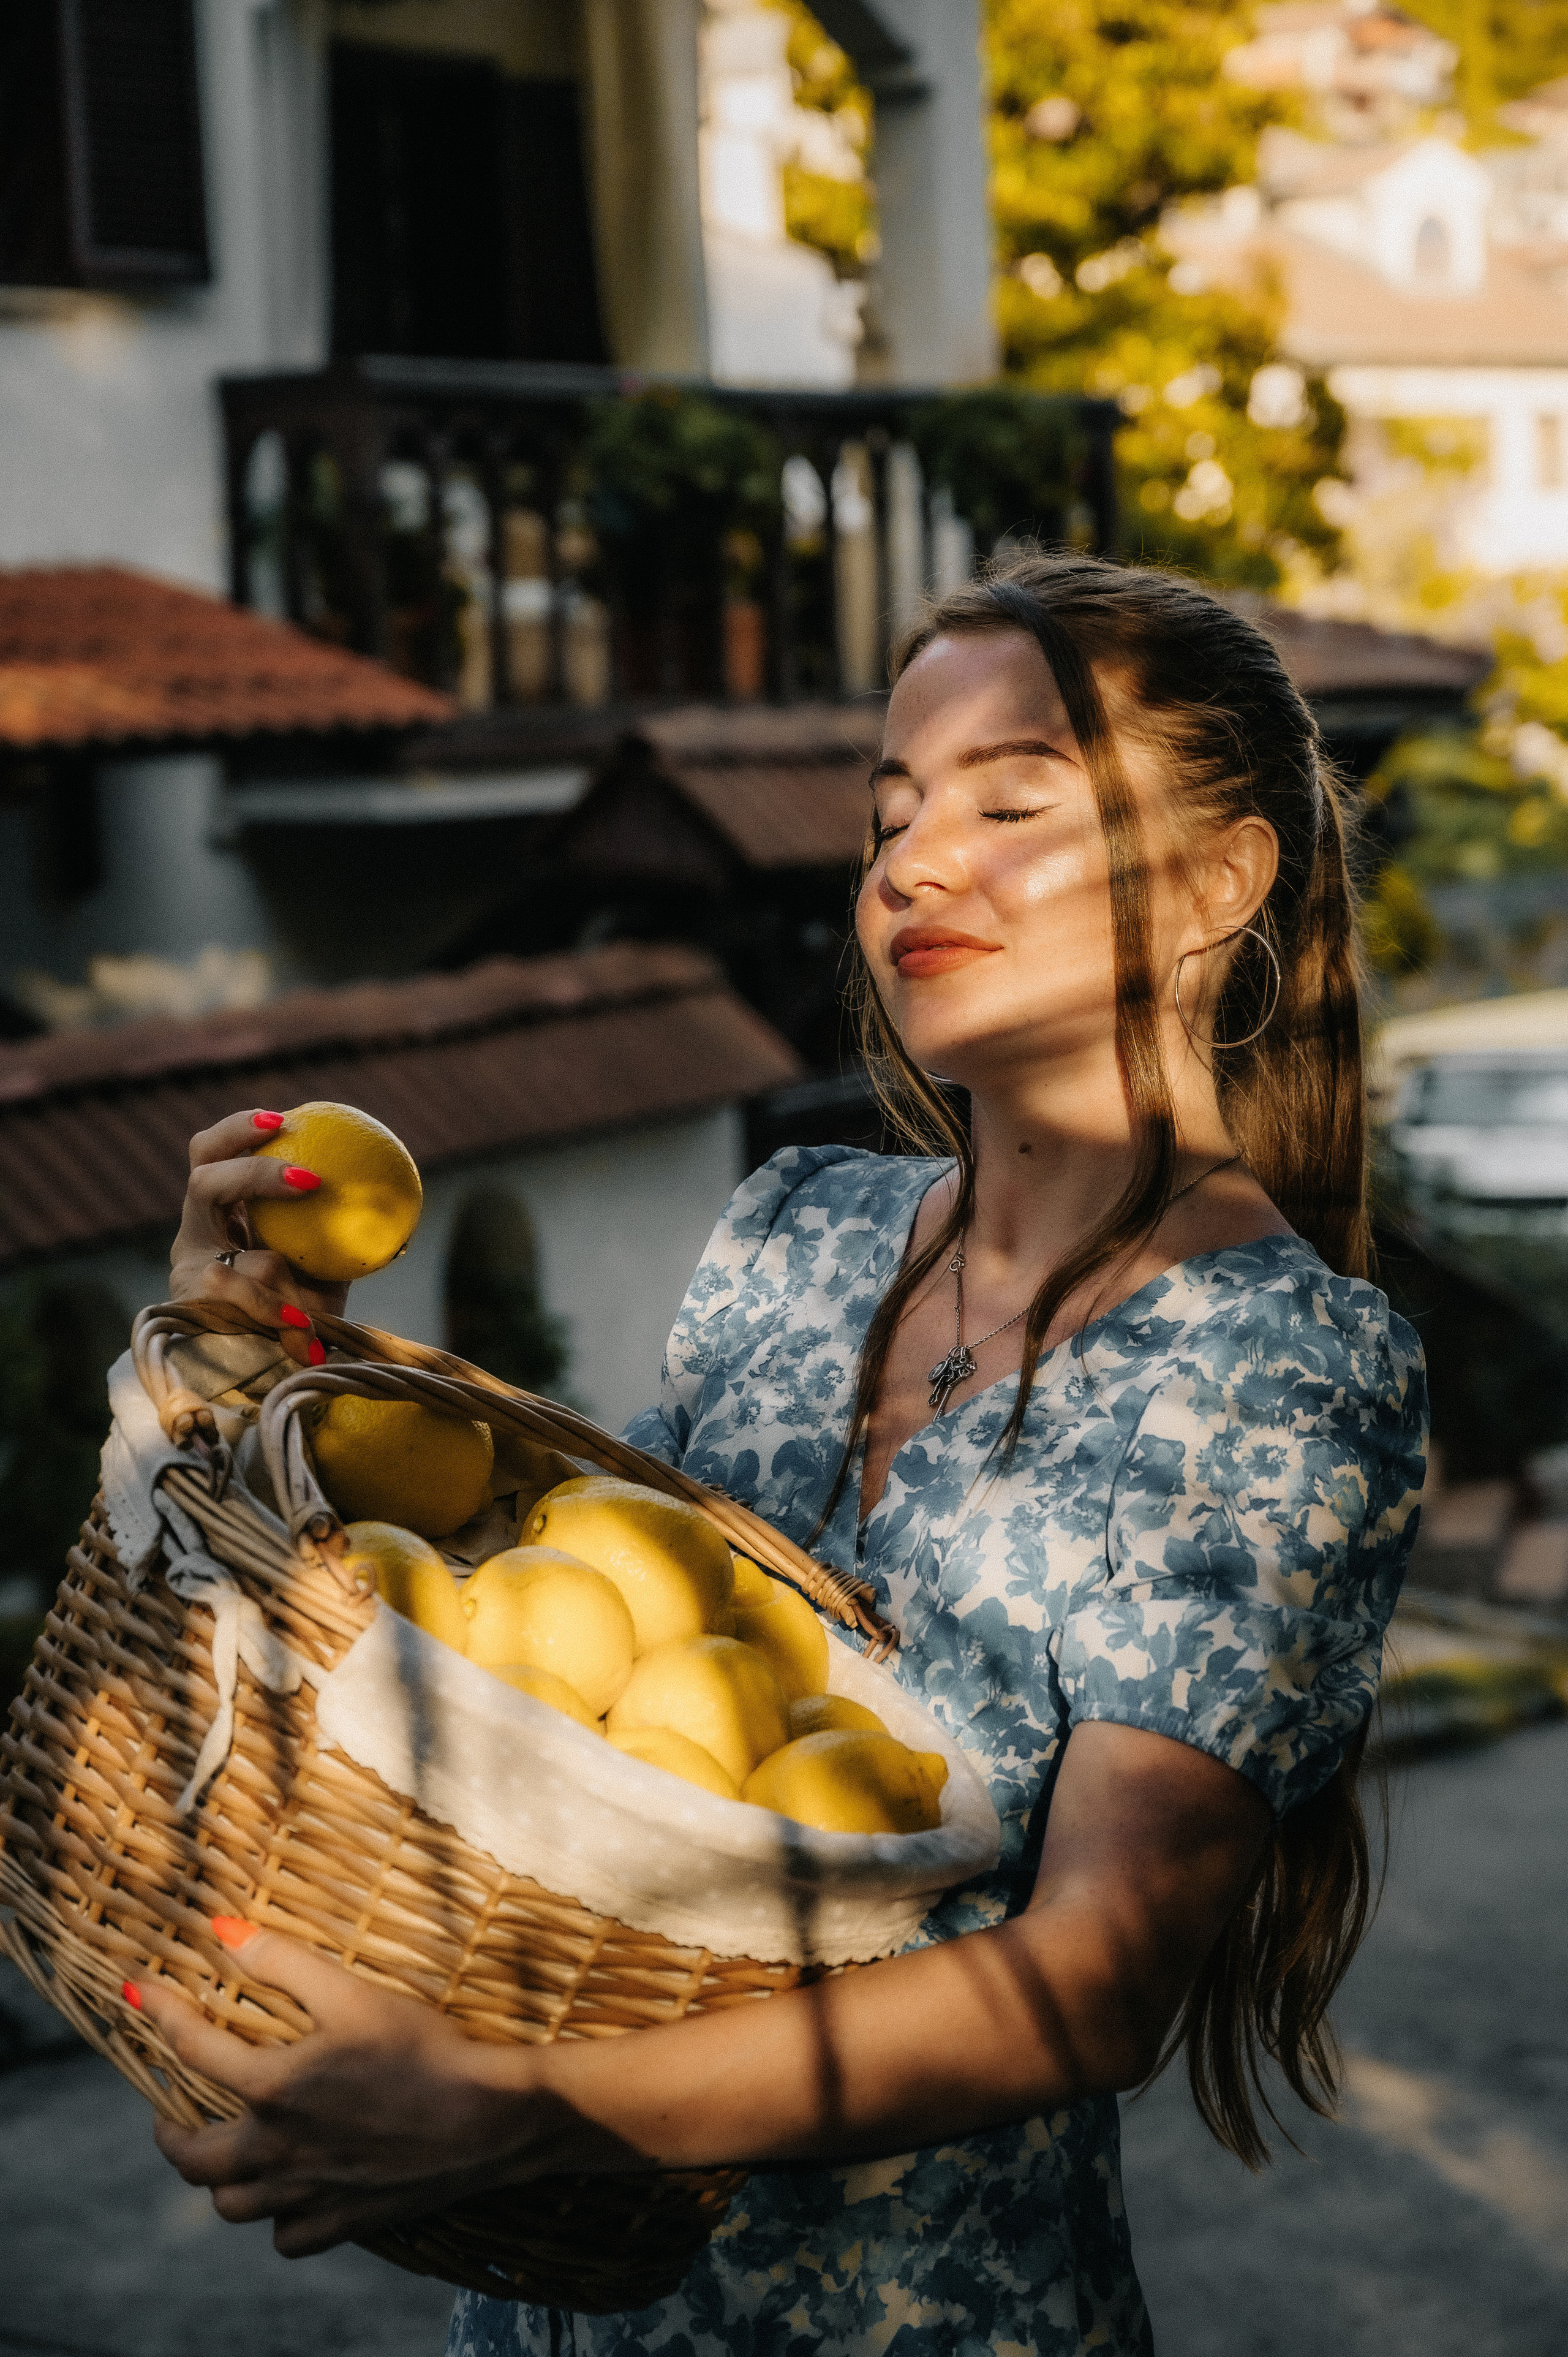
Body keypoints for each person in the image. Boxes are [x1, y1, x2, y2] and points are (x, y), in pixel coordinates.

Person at [135, 553, 1428, 2357]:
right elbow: (531, 1636)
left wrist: (519, 2105)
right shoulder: (798, 1232)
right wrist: (255, 1358)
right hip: (559, 2311)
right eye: (890, 811)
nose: (910, 862)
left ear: (1218, 883)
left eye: (1009, 801)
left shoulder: (1279, 1364)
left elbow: (1095, 1982)